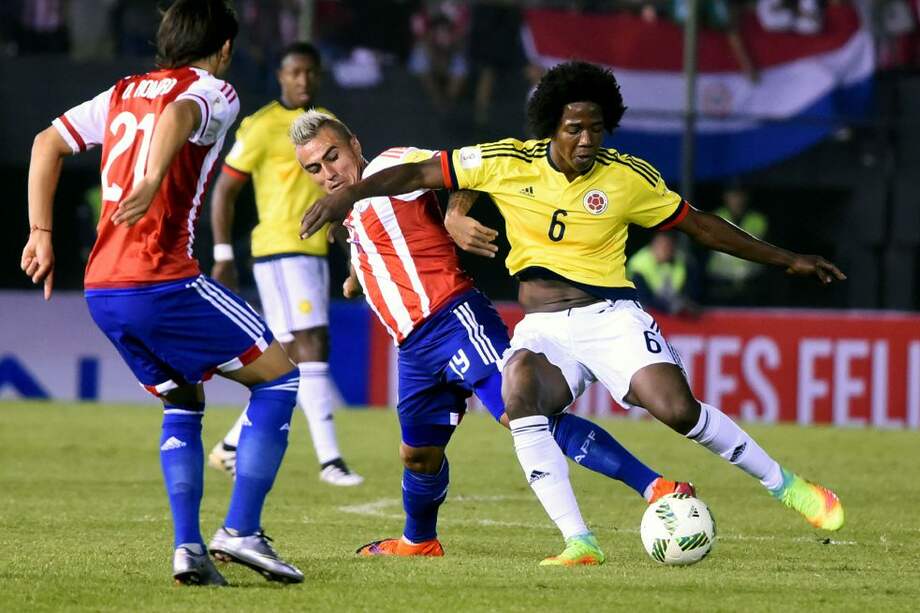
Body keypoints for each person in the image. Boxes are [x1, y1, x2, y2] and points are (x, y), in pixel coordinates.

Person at [300, 60, 847, 566]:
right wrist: (354, 263)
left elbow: (699, 224)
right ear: (550, 128)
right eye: (573, 128)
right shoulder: (510, 162)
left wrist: (787, 259)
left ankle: (783, 485)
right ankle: (574, 541)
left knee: (676, 410)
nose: (586, 140)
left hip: (603, 316)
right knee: (469, 425)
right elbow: (446, 178)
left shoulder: (627, 177)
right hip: (527, 329)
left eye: (596, 128)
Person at [290, 110, 693, 562]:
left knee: (521, 414)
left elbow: (471, 167)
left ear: (355, 146)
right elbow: (382, 243)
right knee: (418, 454)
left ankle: (657, 486)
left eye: (334, 157)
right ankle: (419, 540)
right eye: (315, 168)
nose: (329, 173)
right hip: (415, 349)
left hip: (456, 319)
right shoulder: (348, 209)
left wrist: (454, 215)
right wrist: (355, 275)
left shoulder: (389, 167)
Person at [21, 0, 303, 585]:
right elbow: (179, 112)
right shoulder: (215, 91)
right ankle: (243, 530)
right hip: (163, 278)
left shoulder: (123, 91)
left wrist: (41, 234)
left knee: (183, 402)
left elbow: (46, 143)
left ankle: (188, 550)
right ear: (223, 48)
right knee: (280, 377)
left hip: (103, 288)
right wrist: (152, 177)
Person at [207, 41, 363, 487]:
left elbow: (339, 195)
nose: (303, 80)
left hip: (312, 251)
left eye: (310, 72)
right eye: (294, 72)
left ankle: (232, 445)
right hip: (280, 248)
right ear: (281, 76)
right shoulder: (261, 127)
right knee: (312, 344)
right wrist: (222, 255)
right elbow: (225, 191)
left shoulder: (327, 126)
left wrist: (352, 249)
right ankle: (330, 461)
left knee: (291, 356)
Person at [706, 185, 769, 305]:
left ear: (746, 197)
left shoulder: (758, 220)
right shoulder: (715, 217)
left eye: (740, 195)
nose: (737, 200)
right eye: (733, 195)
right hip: (720, 284)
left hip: (751, 284)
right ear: (725, 197)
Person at [627, 232, 702, 316]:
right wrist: (671, 307)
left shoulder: (682, 261)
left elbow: (690, 292)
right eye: (662, 246)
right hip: (647, 313)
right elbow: (643, 299)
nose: (665, 249)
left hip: (674, 314)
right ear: (653, 245)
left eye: (668, 246)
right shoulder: (639, 265)